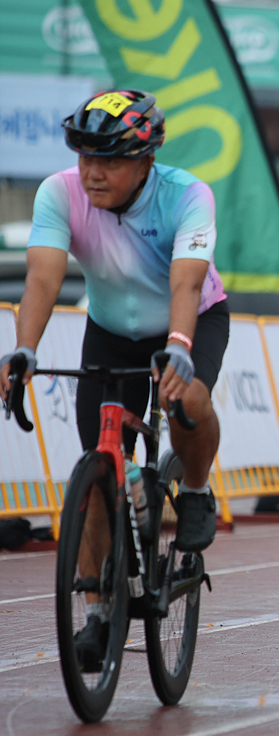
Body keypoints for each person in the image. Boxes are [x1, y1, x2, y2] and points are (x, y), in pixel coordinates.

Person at [0, 89, 229, 669]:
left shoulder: (188, 195)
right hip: (109, 329)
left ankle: (194, 491)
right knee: (99, 468)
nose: (92, 173)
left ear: (147, 160)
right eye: (85, 158)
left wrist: (179, 348)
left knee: (188, 399)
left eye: (109, 160)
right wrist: (24, 349)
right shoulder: (59, 193)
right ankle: (99, 614)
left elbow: (186, 282)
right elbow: (43, 279)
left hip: (190, 319)